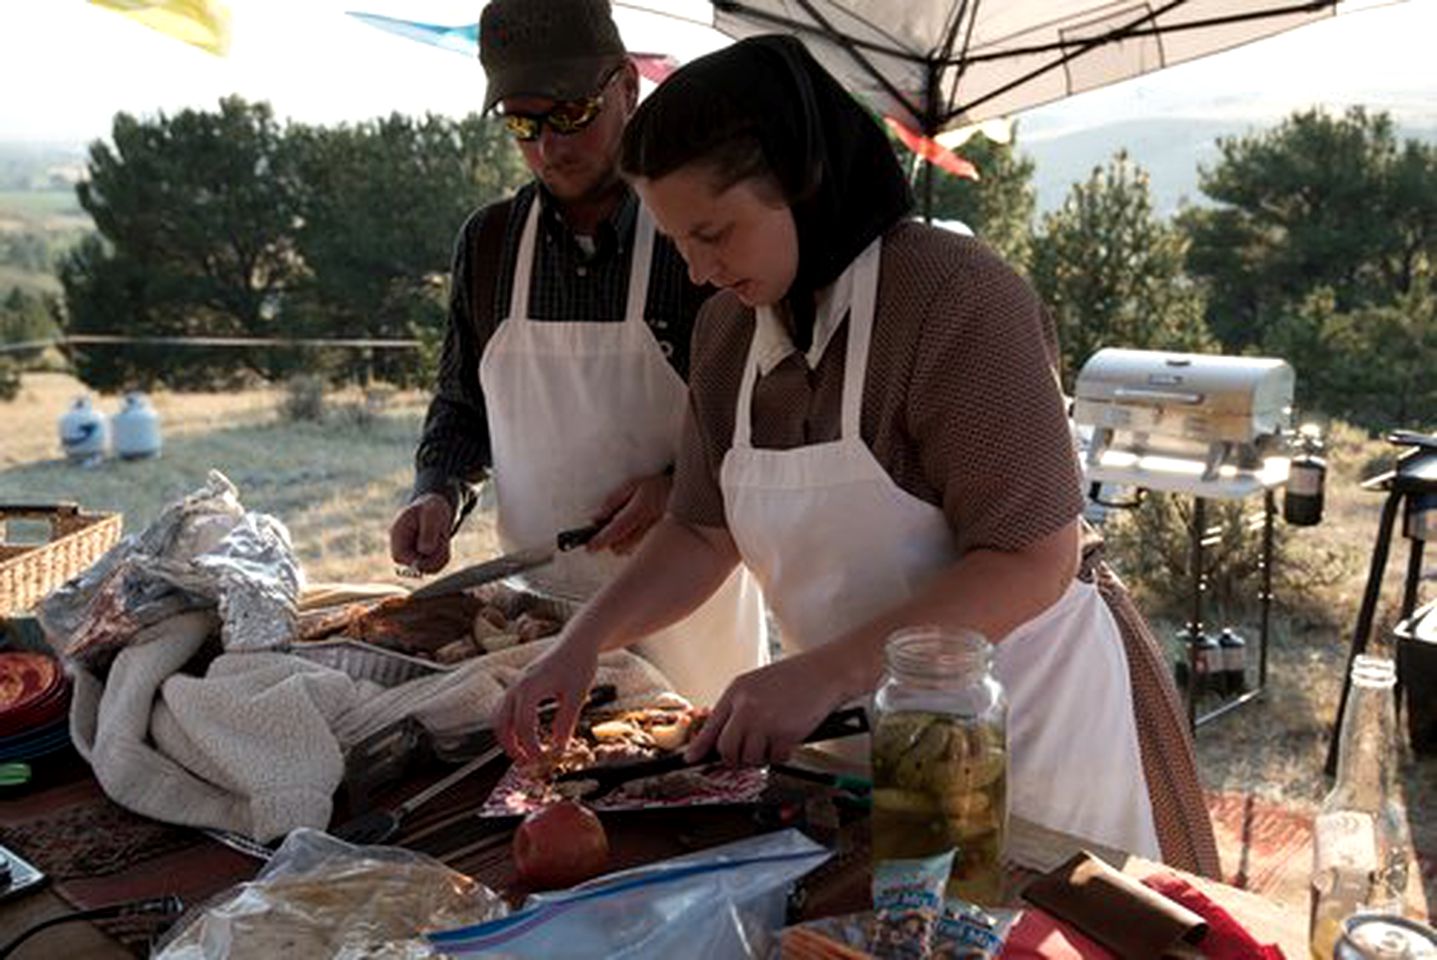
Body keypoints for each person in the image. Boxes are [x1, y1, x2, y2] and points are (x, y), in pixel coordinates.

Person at [495, 35, 1220, 874]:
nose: (696, 271)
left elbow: (1030, 558)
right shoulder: (728, 332)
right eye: (678, 242)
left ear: (800, 183)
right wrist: (581, 645)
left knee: (1016, 916)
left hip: (1026, 723)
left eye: (713, 233)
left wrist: (826, 672)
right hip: (856, 728)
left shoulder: (955, 300)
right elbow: (700, 531)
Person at [389, 0, 767, 706]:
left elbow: (758, 416)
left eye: (570, 115)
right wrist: (436, 489)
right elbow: (462, 406)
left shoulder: (693, 236)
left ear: (626, 86)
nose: (548, 148)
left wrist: (673, 482)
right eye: (523, 125)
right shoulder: (490, 244)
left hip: (691, 611)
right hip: (539, 615)